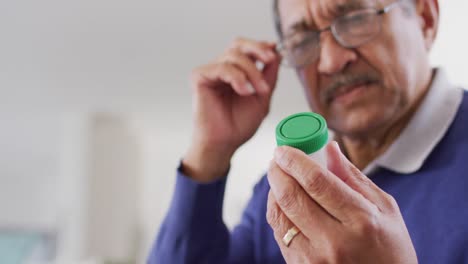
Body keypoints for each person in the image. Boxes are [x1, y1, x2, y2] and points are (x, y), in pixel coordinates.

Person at [148, 0, 468, 262]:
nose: (330, 61)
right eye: (303, 41)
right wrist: (209, 154)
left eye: (355, 18)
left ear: (425, 18)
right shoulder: (284, 189)